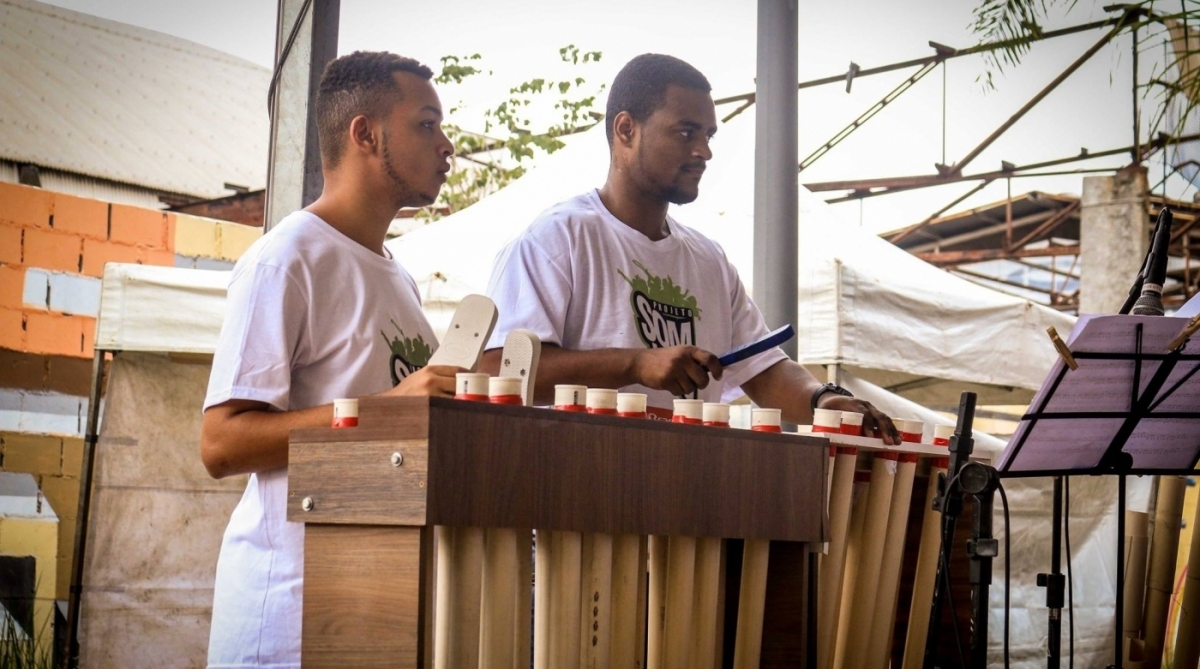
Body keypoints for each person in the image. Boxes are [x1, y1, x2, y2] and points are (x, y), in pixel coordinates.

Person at [199, 51, 460, 668]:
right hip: (289, 621)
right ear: (365, 133)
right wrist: (388, 409)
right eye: (427, 124)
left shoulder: (400, 279)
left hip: (371, 607)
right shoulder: (285, 260)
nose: (447, 146)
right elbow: (221, 444)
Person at [482, 53, 898, 440]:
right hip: (575, 505)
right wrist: (636, 364)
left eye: (708, 134)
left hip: (683, 502)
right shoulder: (558, 238)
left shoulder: (708, 260)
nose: (704, 151)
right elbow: (496, 369)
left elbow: (764, 370)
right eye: (685, 133)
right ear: (625, 129)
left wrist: (824, 400)